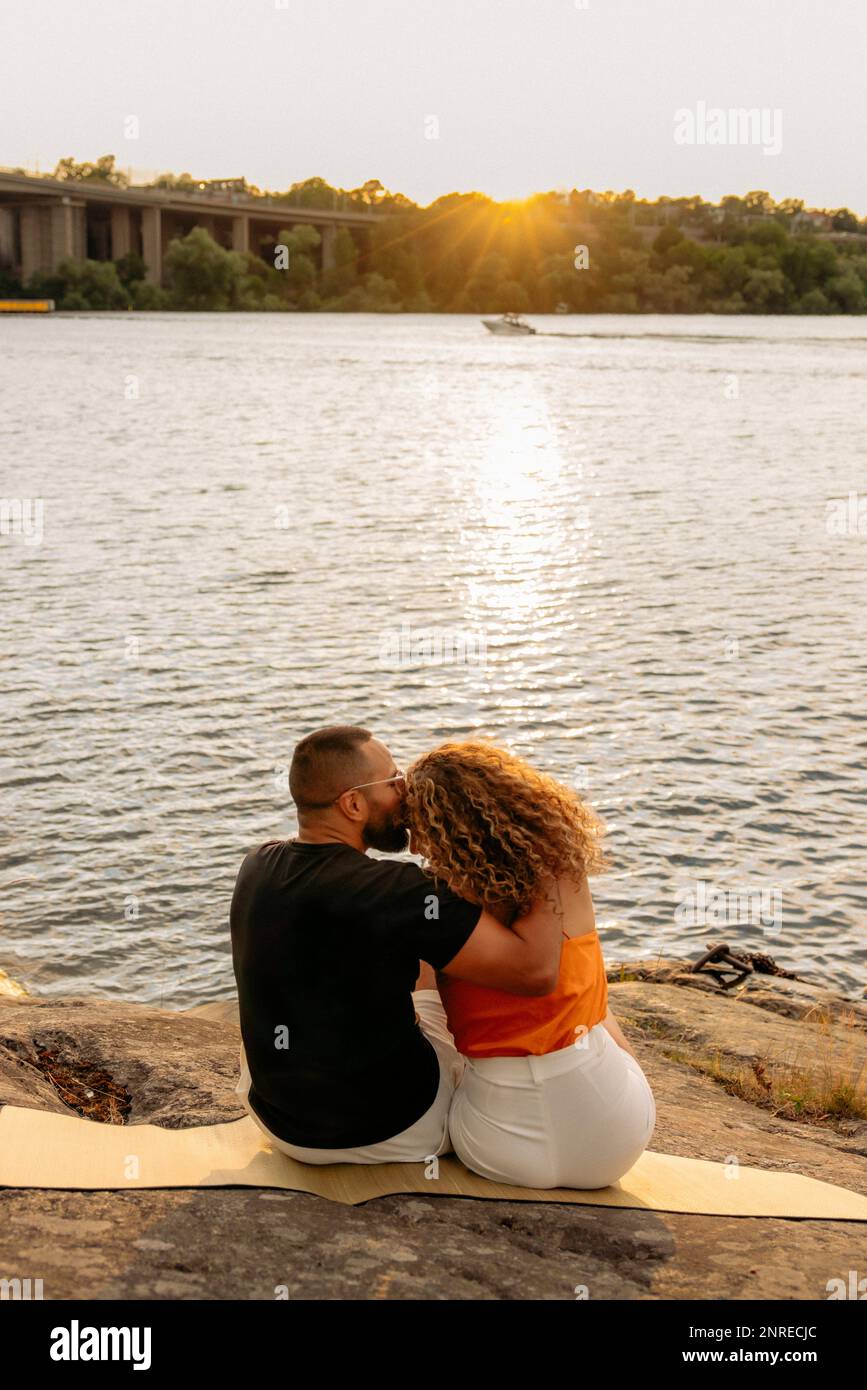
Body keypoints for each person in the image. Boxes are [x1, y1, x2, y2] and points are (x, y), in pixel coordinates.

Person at [230, 725, 564, 1166]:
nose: (405, 794)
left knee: (411, 950)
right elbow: (535, 972)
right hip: (391, 1130)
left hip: (280, 1123)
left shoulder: (257, 863)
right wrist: (550, 857)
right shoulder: (399, 892)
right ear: (353, 803)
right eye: (392, 782)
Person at [403, 739, 657, 1190]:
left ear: (442, 829)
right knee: (593, 1007)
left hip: (496, 1148)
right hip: (615, 1144)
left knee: (427, 987)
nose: (415, 845)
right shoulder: (560, 871)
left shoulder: (438, 903)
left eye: (417, 828)